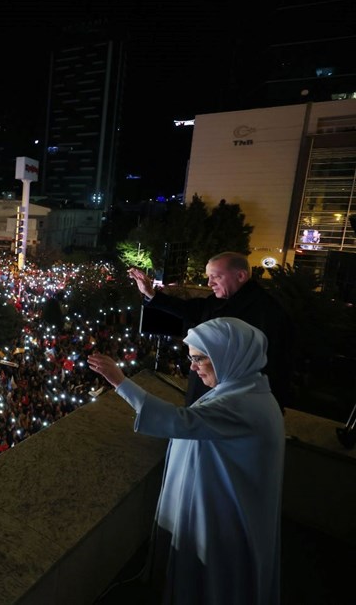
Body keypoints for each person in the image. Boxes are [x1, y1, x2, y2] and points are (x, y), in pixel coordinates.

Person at [88, 317, 284, 604]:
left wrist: (120, 382)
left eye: (198, 359)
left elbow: (180, 422)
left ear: (227, 355)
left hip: (224, 518)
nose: (191, 367)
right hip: (224, 507)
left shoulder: (244, 404)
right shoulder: (245, 390)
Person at [129, 251, 292, 410]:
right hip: (206, 393)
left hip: (234, 405)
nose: (209, 283)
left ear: (240, 276)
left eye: (216, 277)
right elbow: (188, 309)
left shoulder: (267, 313)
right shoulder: (219, 300)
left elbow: (274, 365)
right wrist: (151, 293)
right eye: (209, 277)